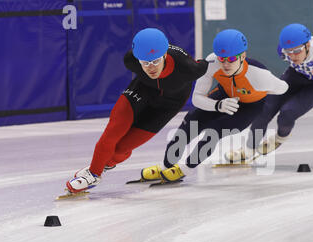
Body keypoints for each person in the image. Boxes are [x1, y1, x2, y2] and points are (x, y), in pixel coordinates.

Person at [66, 28, 209, 193]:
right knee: (114, 129)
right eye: (145, 62)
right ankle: (93, 174)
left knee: (122, 148)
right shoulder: (131, 60)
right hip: (143, 89)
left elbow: (209, 63)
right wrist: (95, 169)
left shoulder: (188, 68)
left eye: (155, 61)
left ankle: (106, 164)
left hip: (168, 105)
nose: (151, 68)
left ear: (164, 56)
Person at [140, 29, 289, 182]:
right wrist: (217, 105)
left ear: (243, 56)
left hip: (249, 107)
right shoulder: (212, 62)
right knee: (190, 122)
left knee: (214, 131)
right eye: (222, 58)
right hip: (223, 97)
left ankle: (184, 169)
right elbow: (197, 98)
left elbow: (283, 88)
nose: (225, 64)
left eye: (231, 59)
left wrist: (261, 91)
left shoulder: (258, 75)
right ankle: (166, 167)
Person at [226, 23, 313, 161]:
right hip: (296, 74)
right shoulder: (282, 51)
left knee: (288, 113)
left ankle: (280, 138)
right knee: (265, 109)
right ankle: (249, 149)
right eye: (289, 52)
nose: (292, 56)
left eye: (297, 51)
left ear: (308, 45)